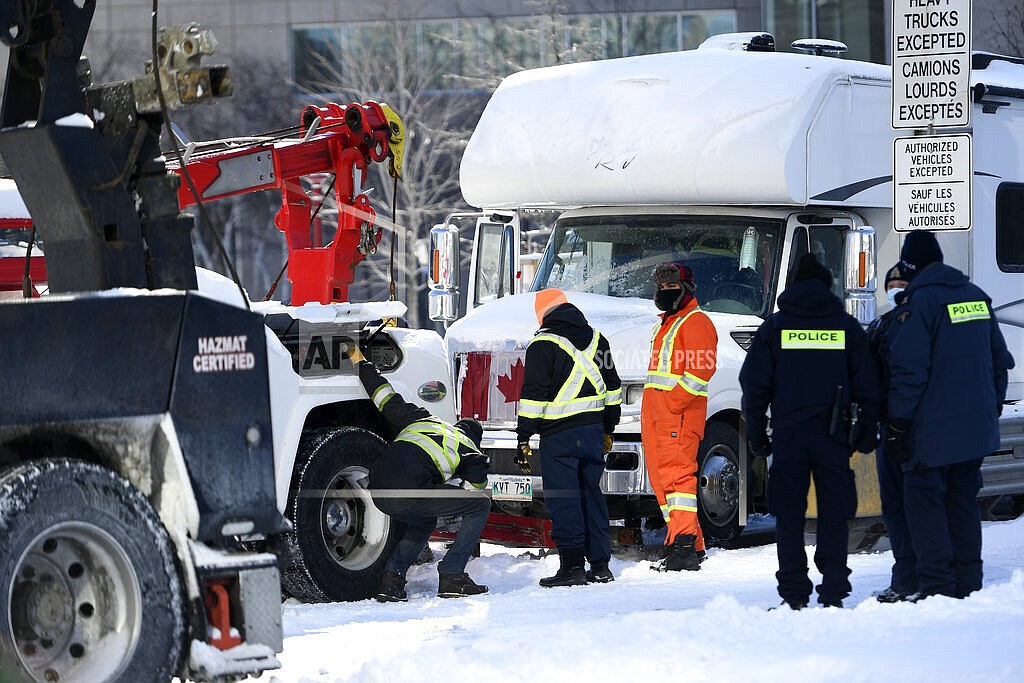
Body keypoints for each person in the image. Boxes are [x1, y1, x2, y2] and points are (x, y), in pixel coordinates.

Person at [739, 253, 879, 609]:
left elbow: (754, 387)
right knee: (835, 513)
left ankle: (793, 594)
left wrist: (756, 436)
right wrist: (865, 433)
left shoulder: (775, 327)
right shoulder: (845, 327)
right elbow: (868, 385)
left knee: (788, 516)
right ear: (827, 286)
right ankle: (833, 591)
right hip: (835, 436)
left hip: (789, 437)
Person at [885, 231, 1015, 600]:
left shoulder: (921, 303)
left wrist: (898, 425)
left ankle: (937, 586)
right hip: (973, 432)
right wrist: (989, 411)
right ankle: (968, 581)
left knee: (924, 505)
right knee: (961, 501)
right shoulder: (975, 298)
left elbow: (910, 372)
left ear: (910, 266)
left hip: (930, 433)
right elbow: (1000, 365)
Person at [347, 345, 492, 602]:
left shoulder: (422, 419)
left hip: (378, 488)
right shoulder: (468, 448)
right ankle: (452, 575)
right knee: (480, 505)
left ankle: (392, 582)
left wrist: (360, 362)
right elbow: (472, 493)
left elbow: (384, 396)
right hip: (411, 489)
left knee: (424, 520)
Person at [516, 288, 622, 586]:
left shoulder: (542, 344)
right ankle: (600, 565)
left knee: (565, 500)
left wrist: (524, 436)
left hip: (560, 436)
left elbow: (533, 396)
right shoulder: (598, 340)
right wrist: (608, 428)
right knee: (592, 497)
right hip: (592, 434)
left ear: (543, 314)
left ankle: (572, 567)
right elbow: (613, 388)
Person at [642, 262, 718, 571]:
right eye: (661, 288)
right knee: (665, 484)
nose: (664, 292)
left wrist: (673, 404)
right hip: (660, 418)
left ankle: (684, 547)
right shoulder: (669, 322)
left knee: (679, 482)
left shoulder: (695, 322)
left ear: (688, 289)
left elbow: (701, 371)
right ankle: (689, 545)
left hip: (678, 418)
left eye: (671, 287)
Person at [866, 262, 918, 603]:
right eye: (892, 283)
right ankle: (907, 578)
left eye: (901, 282)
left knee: (913, 509)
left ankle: (915, 579)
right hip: (892, 430)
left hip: (912, 430)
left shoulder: (915, 323)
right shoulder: (882, 325)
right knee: (897, 510)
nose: (895, 287)